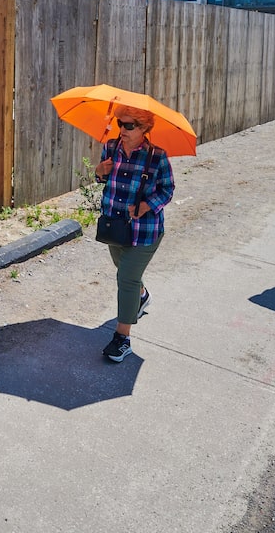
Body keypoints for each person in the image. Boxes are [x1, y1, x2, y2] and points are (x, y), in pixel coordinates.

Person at [93, 104, 176, 362]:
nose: (123, 129)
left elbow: (167, 190)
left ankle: (122, 338)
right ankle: (142, 296)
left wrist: (146, 206)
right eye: (120, 123)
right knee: (124, 270)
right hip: (114, 227)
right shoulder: (111, 148)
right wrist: (99, 172)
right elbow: (103, 179)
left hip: (145, 231)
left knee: (126, 278)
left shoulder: (157, 156)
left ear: (144, 128)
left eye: (129, 125)